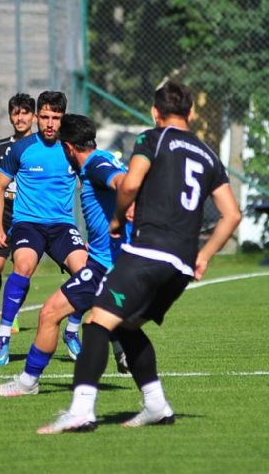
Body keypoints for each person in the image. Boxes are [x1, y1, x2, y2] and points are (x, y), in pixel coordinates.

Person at [38, 82, 241, 434]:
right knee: (127, 326)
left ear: (154, 113)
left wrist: (117, 219)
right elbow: (232, 215)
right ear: (191, 113)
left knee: (96, 323)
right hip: (180, 265)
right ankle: (157, 406)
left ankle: (81, 412)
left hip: (147, 252)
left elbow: (129, 185)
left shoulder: (153, 138)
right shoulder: (209, 155)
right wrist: (204, 255)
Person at [0, 115, 130, 397]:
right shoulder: (102, 159)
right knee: (102, 316)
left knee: (52, 313)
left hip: (109, 263)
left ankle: (30, 384)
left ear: (68, 146)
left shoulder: (95, 164)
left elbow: (126, 185)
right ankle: (150, 395)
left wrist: (121, 218)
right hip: (109, 259)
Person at [0, 90, 88, 366]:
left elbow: (89, 190)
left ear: (63, 118)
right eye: (44, 117)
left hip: (61, 226)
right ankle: (4, 335)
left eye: (55, 118)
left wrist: (94, 236)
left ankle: (71, 331)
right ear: (36, 117)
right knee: (23, 266)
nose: (49, 123)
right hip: (27, 224)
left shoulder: (73, 149)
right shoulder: (20, 149)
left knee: (88, 272)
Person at [0, 93, 34, 332]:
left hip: (30, 213)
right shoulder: (2, 146)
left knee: (22, 267)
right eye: (15, 113)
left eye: (24, 113)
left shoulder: (41, 145)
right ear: (10, 116)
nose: (20, 118)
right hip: (5, 212)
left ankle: (13, 315)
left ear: (33, 115)